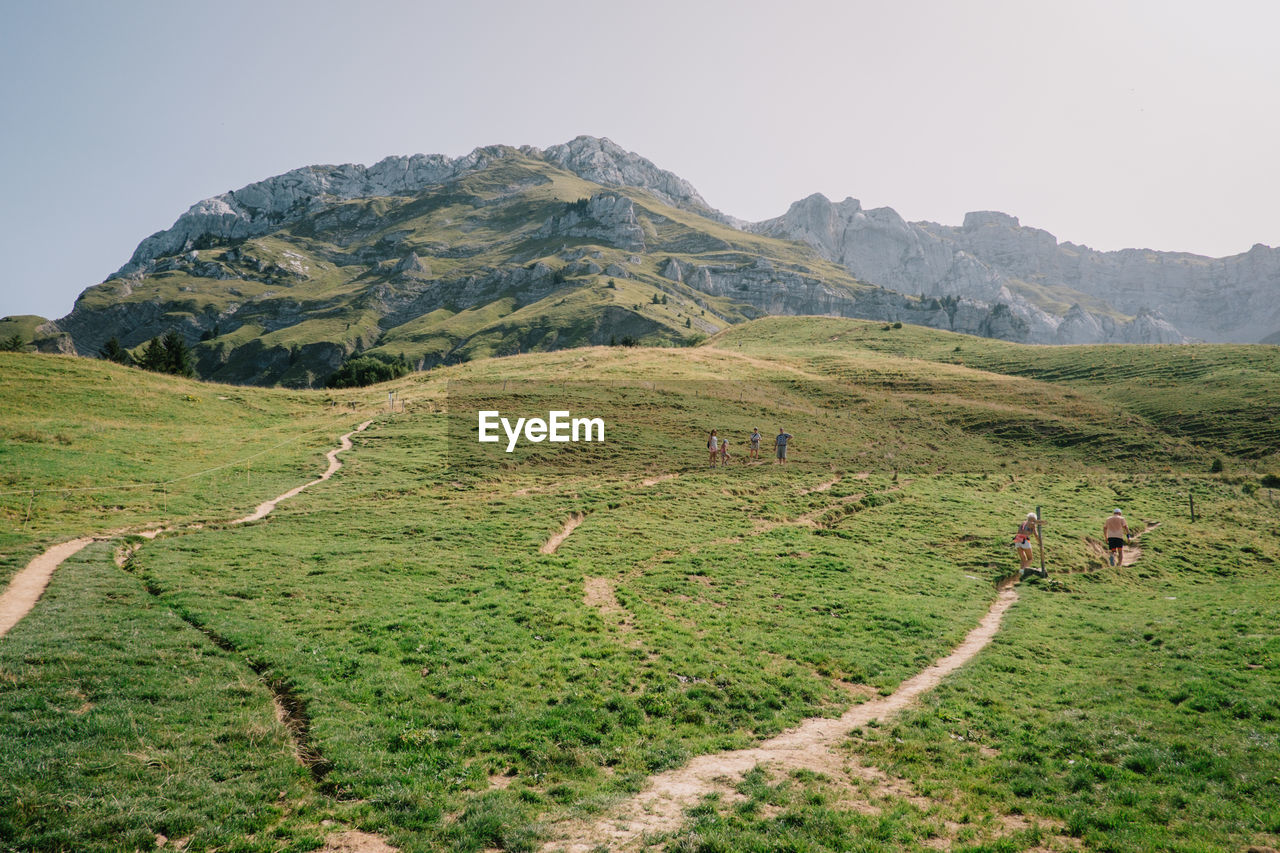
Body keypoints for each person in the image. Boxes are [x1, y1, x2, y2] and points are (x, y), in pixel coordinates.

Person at [1014, 511, 1041, 576]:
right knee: (1030, 559)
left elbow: (1018, 532)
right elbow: (1036, 535)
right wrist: (1040, 543)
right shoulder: (1032, 525)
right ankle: (1023, 570)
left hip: (1017, 540)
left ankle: (1020, 573)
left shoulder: (1023, 523)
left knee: (1023, 559)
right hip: (1025, 541)